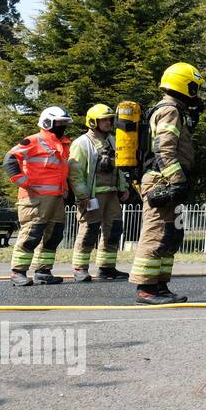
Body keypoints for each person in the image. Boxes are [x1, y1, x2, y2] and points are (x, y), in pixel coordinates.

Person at [129, 63, 204, 304]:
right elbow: (164, 149)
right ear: (184, 84)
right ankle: (146, 289)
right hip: (163, 181)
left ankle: (160, 285)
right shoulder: (170, 110)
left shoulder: (175, 110)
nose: (197, 93)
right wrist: (177, 180)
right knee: (156, 234)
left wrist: (192, 117)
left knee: (170, 235)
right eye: (194, 87)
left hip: (169, 180)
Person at [4, 106, 74, 286]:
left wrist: (66, 191)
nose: (62, 126)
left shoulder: (64, 145)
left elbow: (61, 171)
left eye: (64, 123)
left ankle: (43, 271)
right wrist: (23, 182)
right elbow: (10, 159)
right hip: (35, 198)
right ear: (48, 122)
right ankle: (18, 271)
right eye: (59, 123)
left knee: (54, 234)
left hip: (57, 198)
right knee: (31, 234)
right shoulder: (34, 140)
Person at [69, 103, 130, 281]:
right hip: (92, 196)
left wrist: (123, 187)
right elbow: (75, 173)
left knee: (114, 230)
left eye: (110, 119)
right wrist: (83, 196)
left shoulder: (112, 141)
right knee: (89, 230)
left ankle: (106, 268)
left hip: (111, 194)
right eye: (104, 120)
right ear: (93, 122)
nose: (109, 123)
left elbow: (119, 168)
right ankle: (80, 269)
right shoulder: (81, 143)